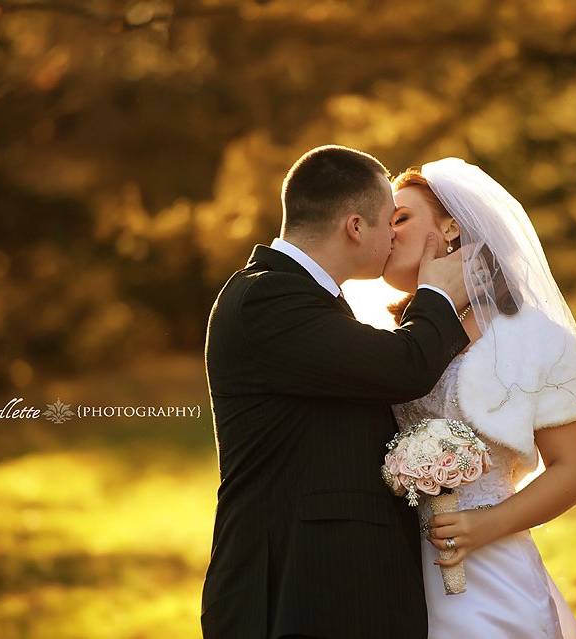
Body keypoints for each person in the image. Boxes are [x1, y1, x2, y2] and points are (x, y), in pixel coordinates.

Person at [200, 145, 473, 639]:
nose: (395, 235)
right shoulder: (266, 298)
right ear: (354, 226)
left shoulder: (306, 300)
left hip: (330, 589)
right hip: (294, 592)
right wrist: (437, 294)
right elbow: (402, 366)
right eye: (391, 221)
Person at [381, 158, 576, 638]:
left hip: (488, 574)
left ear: (451, 226)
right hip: (399, 576)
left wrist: (484, 526)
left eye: (401, 217)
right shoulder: (397, 343)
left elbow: (574, 469)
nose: (387, 233)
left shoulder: (531, 336)